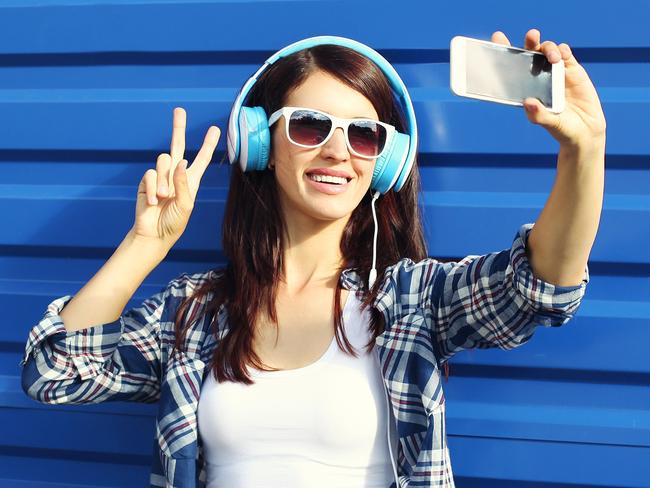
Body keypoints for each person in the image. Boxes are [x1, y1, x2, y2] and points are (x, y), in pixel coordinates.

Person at [20, 30, 604, 488]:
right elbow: (55, 373)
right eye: (309, 125)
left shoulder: (411, 300)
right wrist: (145, 244)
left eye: (364, 135)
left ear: (386, 161)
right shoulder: (195, 312)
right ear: (259, 143)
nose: (337, 150)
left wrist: (585, 149)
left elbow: (539, 289)